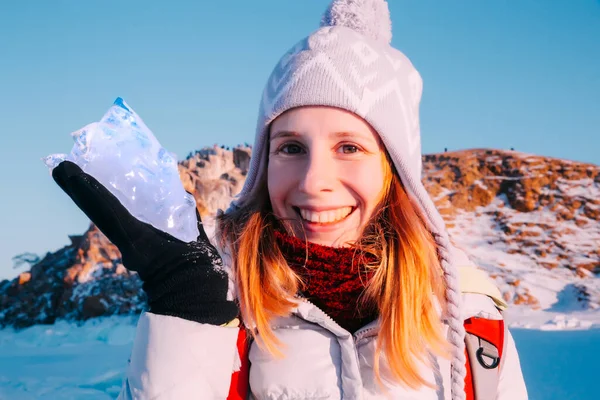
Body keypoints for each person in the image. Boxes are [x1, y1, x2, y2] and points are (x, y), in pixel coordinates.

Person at [51, 0, 527, 398]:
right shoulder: (227, 306)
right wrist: (188, 310)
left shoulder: (469, 318)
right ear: (263, 163)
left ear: (394, 169)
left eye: (350, 147)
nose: (314, 181)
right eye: (291, 148)